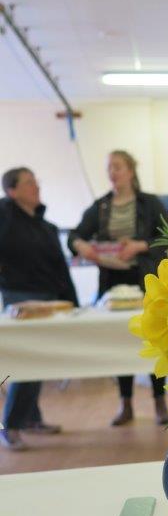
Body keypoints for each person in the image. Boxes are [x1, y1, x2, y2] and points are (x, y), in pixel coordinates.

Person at [69, 151, 168, 426]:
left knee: (152, 340)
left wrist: (139, 246)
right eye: (109, 168)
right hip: (112, 284)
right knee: (120, 341)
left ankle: (159, 400)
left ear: (130, 171)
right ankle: (125, 403)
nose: (112, 172)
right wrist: (82, 246)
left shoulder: (149, 203)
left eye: (117, 167)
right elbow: (75, 235)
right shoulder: (101, 206)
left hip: (147, 281)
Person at [0, 167, 78, 451]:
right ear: (12, 191)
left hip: (49, 298)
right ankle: (11, 426)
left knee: (38, 360)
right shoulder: (4, 218)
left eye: (36, 181)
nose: (36, 186)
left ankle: (31, 419)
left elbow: (59, 268)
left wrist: (72, 300)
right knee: (29, 361)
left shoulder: (44, 226)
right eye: (29, 182)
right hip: (21, 298)